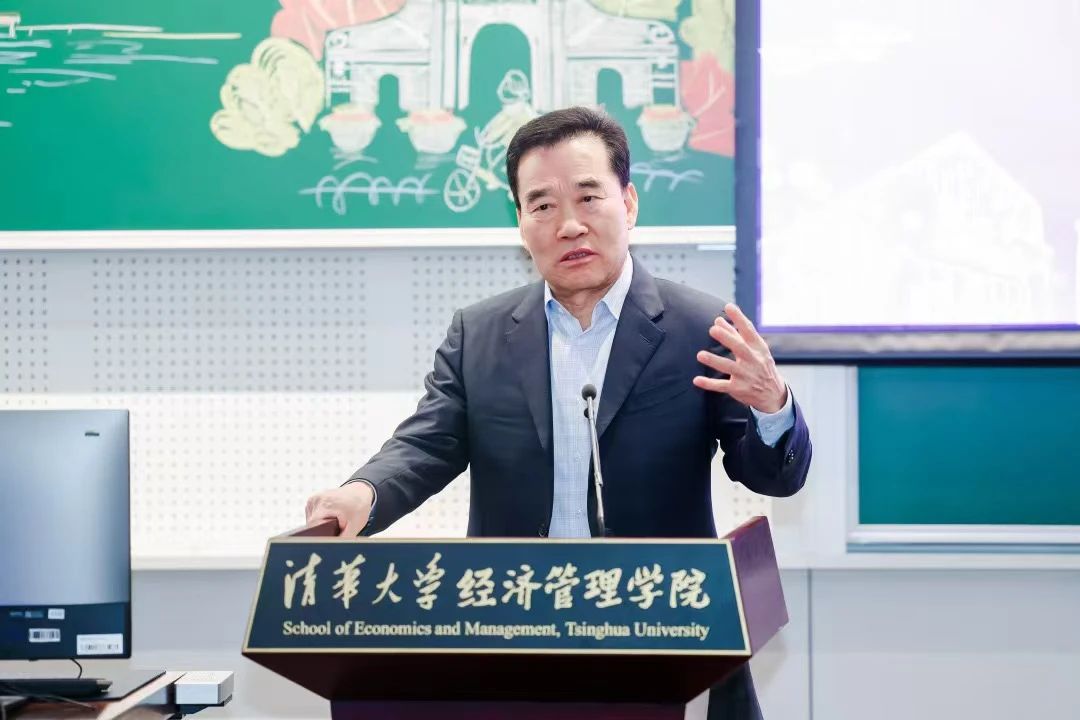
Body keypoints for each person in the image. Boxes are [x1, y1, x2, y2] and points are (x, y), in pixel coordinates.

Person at [305, 106, 812, 719]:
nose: (569, 225)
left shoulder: (700, 328)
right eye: (542, 205)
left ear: (628, 204)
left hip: (658, 641)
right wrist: (362, 493)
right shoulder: (480, 334)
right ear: (520, 222)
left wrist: (772, 406)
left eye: (588, 197)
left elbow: (773, 477)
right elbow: (426, 444)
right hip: (512, 641)